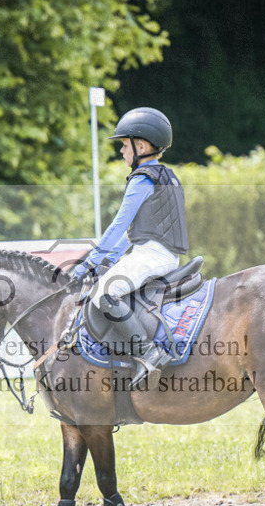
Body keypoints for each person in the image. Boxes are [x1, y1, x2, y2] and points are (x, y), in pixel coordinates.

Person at [74, 107, 189, 387]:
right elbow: (132, 233)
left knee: (104, 293)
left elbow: (118, 225)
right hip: (157, 254)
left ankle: (149, 353)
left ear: (141, 146)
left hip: (152, 256)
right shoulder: (167, 175)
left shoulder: (142, 178)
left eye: (125, 145)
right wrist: (109, 259)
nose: (122, 151)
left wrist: (90, 262)